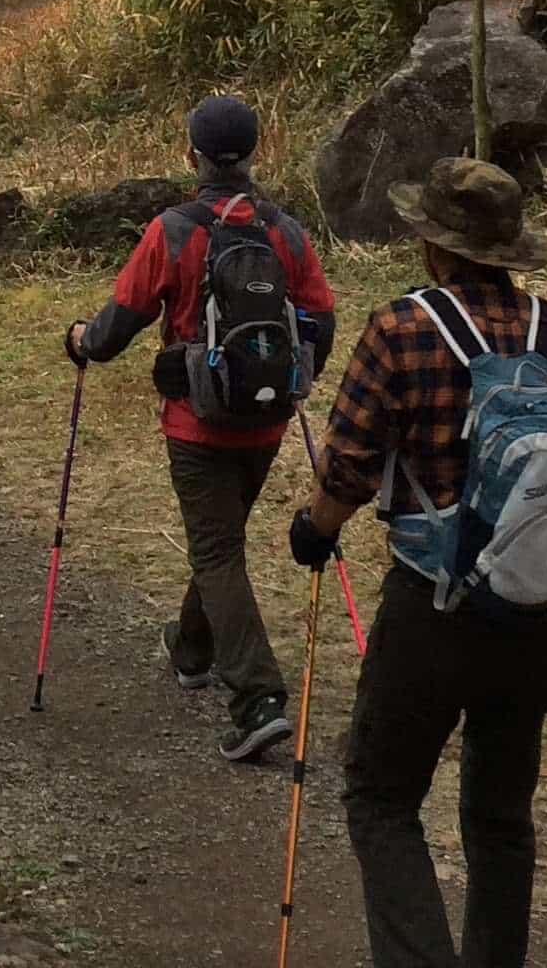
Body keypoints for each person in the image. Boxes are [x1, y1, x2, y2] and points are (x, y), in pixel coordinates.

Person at [286, 158, 547, 968]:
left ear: (434, 247)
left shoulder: (401, 329)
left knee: (381, 795)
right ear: (510, 250)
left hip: (431, 610)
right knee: (502, 817)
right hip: (538, 615)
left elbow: (348, 468)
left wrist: (314, 529)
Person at [62, 94, 335, 764]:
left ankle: (258, 699)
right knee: (222, 542)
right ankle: (191, 649)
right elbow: (321, 319)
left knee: (217, 552)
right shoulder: (286, 232)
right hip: (267, 418)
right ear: (257, 152)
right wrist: (291, 380)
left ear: (193, 155)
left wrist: (81, 343)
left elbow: (119, 319)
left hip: (197, 424)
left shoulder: (175, 229)